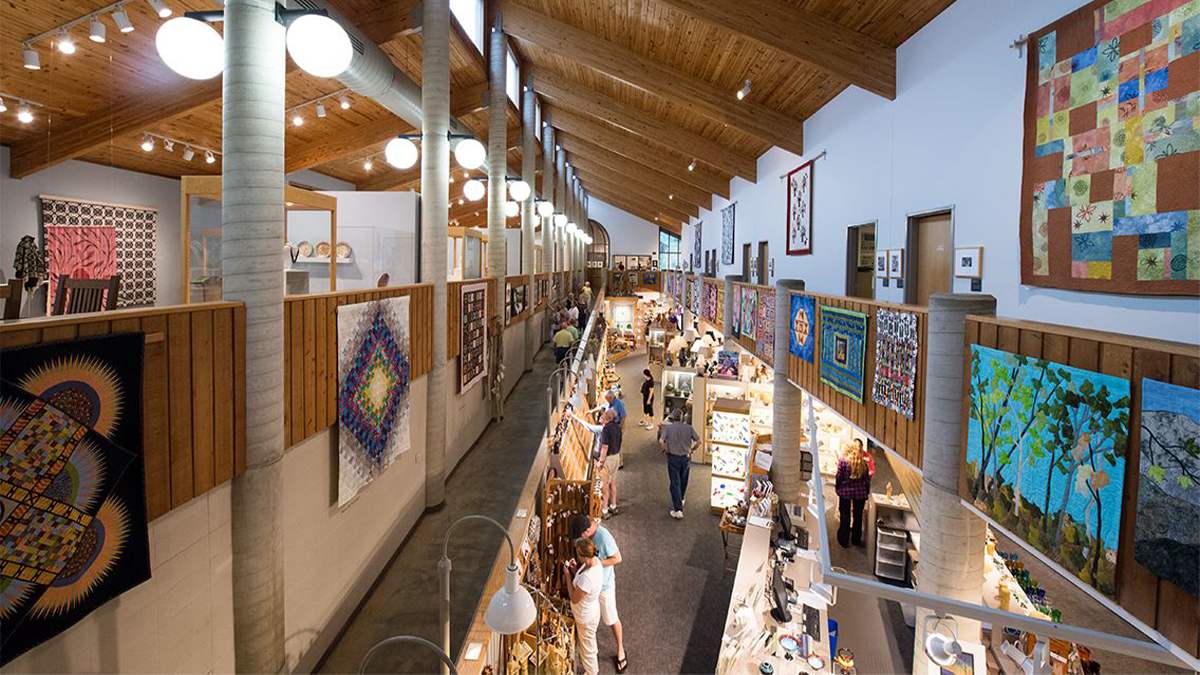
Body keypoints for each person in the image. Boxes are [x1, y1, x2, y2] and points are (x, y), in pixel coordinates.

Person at [571, 515, 626, 673]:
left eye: (581, 536)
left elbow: (618, 558)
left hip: (605, 585)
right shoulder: (587, 536)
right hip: (592, 589)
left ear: (587, 531)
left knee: (611, 618)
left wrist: (596, 564)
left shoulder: (604, 537)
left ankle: (620, 649)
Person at [563, 537, 604, 675]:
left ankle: (592, 672)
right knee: (589, 642)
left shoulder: (588, 577)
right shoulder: (595, 562)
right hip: (591, 611)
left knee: (587, 648)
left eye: (578, 553)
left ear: (584, 556)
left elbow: (574, 598)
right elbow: (581, 584)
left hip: (585, 616)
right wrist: (575, 570)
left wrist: (567, 575)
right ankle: (592, 667)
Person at [658, 409, 698, 519]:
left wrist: (666, 450)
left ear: (672, 418)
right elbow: (699, 441)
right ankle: (681, 498)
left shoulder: (668, 428)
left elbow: (661, 441)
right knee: (684, 479)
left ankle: (678, 509)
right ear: (682, 418)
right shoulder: (689, 428)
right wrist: (692, 450)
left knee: (674, 482)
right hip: (686, 458)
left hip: (673, 458)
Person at [835, 438, 874, 547]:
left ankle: (843, 539)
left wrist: (838, 489)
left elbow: (839, 477)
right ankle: (856, 540)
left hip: (845, 493)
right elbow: (867, 480)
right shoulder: (863, 464)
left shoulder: (843, 462)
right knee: (858, 516)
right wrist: (866, 493)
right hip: (860, 494)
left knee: (845, 516)